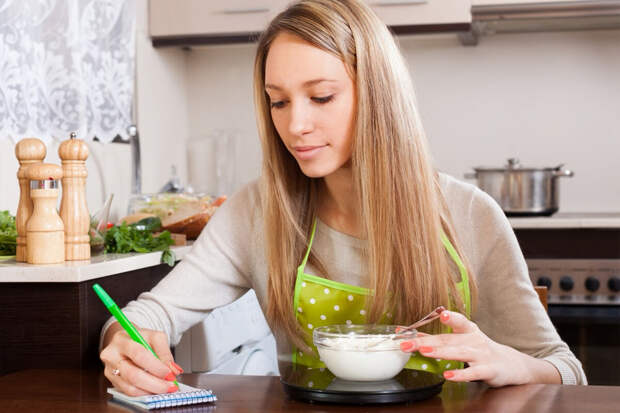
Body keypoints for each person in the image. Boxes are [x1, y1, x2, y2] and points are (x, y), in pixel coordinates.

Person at [99, 0, 587, 396]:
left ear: (376, 96)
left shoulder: (470, 215)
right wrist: (126, 345)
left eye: (321, 97)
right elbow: (147, 316)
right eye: (278, 101)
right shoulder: (257, 212)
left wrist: (514, 363)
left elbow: (565, 370)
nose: (295, 125)